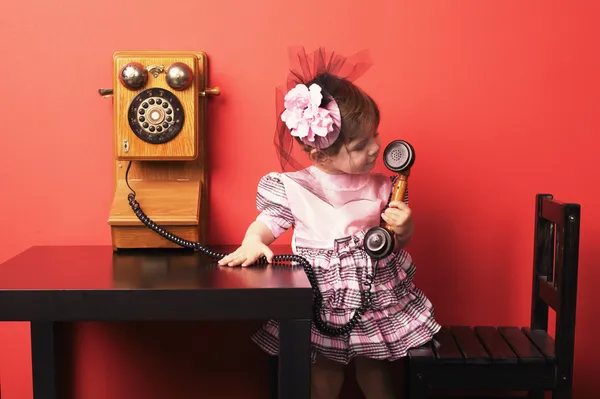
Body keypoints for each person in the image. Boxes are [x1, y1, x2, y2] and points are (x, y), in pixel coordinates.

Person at [218, 47, 440, 399]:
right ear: (321, 153)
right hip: (320, 296)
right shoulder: (294, 187)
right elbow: (268, 221)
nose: (374, 149)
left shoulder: (385, 186)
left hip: (371, 293)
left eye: (376, 136)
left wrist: (403, 229)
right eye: (360, 144)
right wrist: (252, 241)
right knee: (323, 377)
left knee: (377, 374)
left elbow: (396, 241)